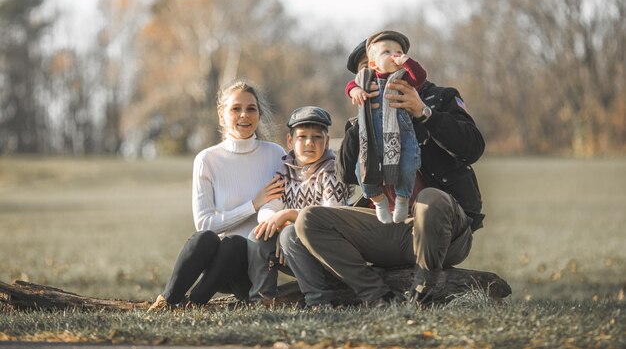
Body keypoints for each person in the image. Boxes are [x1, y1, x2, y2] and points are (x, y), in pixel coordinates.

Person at [292, 38, 486, 306]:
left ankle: (423, 291)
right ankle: (377, 295)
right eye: (365, 72)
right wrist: (364, 120)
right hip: (386, 227)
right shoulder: (362, 115)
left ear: (399, 60)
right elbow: (346, 174)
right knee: (308, 219)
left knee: (430, 198)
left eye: (384, 61)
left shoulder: (440, 98)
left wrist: (423, 112)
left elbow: (473, 148)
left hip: (442, 229)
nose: (373, 75)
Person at [148, 79, 286, 311]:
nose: (244, 115)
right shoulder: (207, 160)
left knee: (235, 243)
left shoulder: (276, 155)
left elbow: (284, 206)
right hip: (216, 264)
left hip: (252, 267)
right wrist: (253, 204)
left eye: (251, 109)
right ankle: (167, 301)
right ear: (222, 116)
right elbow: (204, 223)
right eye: (236, 109)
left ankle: (195, 303)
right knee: (205, 238)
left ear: (259, 115)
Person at [247, 106, 347, 307]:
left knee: (290, 234)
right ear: (290, 141)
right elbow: (269, 207)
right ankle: (263, 298)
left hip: (328, 249)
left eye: (317, 137)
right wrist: (280, 225)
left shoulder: (332, 171)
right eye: (302, 137)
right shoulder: (286, 170)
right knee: (259, 234)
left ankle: (318, 300)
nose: (309, 142)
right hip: (295, 247)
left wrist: (289, 220)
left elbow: (330, 217)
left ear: (327, 142)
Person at [345, 30, 427, 224]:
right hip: (373, 139)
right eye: (387, 52)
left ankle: (402, 199)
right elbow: (350, 86)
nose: (394, 55)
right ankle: (378, 200)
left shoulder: (402, 78)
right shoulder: (366, 79)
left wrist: (406, 61)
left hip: (402, 135)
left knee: (408, 166)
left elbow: (420, 76)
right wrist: (356, 90)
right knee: (362, 171)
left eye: (398, 51)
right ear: (373, 63)